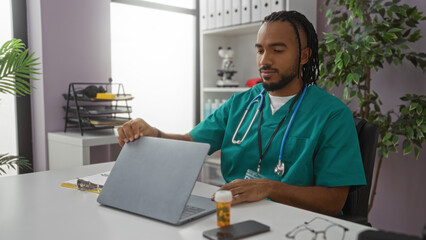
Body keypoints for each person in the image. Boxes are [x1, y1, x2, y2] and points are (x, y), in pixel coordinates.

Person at [117, 10, 366, 216]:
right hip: (234, 214)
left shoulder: (332, 115)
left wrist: (269, 188)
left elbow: (334, 201)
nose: (264, 60)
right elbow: (190, 144)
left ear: (304, 56)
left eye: (277, 50)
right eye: (260, 50)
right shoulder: (240, 104)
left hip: (295, 223)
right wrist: (154, 133)